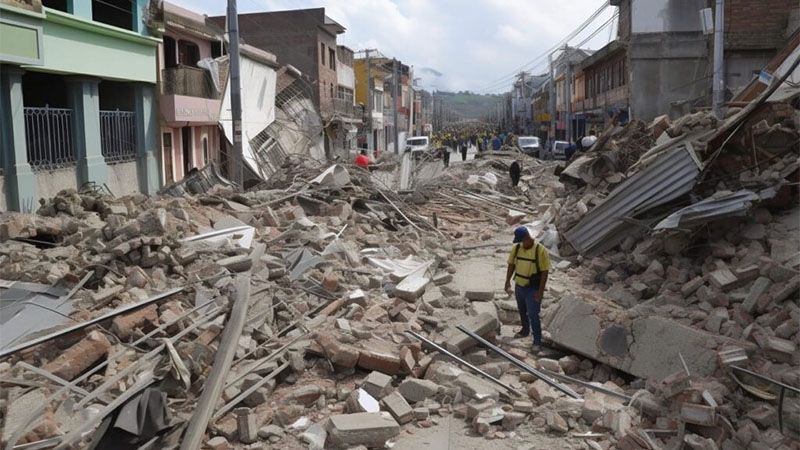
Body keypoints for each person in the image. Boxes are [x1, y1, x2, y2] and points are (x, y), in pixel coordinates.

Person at [504, 226, 550, 354]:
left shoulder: (540, 250)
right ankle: (525, 330)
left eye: (522, 241)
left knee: (533, 314)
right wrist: (507, 281)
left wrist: (540, 292)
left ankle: (537, 341)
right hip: (519, 285)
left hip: (533, 288)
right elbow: (511, 264)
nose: (521, 243)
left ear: (527, 238)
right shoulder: (517, 248)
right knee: (522, 310)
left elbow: (545, 272)